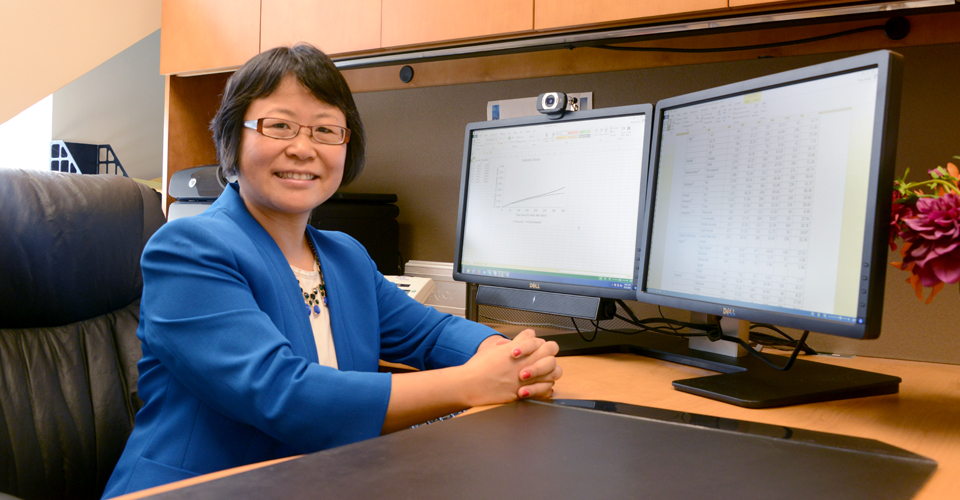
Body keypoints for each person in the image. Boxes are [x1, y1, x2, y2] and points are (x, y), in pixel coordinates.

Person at [102, 44, 561, 498]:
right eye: (279, 126)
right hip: (195, 490)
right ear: (233, 138)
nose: (303, 149)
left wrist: (510, 356)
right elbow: (285, 395)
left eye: (326, 130)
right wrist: (472, 383)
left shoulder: (345, 257)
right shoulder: (188, 250)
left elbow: (430, 333)